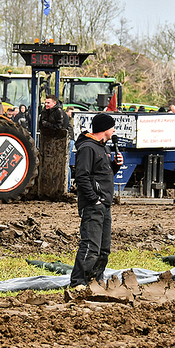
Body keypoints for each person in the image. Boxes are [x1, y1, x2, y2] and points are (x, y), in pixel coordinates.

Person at [69, 113, 123, 289]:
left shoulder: (104, 148)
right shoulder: (88, 148)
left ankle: (95, 281)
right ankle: (78, 283)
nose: (114, 130)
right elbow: (81, 177)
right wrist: (94, 200)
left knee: (103, 249)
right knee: (90, 246)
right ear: (104, 129)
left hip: (105, 204)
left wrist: (115, 166)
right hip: (93, 205)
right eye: (112, 126)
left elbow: (100, 177)